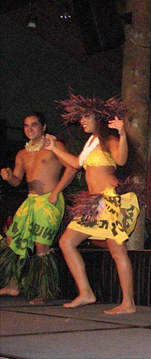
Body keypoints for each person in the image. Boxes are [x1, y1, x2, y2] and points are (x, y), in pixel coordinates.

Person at [44, 93, 141, 315]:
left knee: (117, 250)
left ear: (99, 117)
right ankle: (86, 292)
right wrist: (54, 148)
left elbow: (121, 160)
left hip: (111, 200)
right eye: (81, 118)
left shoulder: (109, 139)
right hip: (93, 204)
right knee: (67, 242)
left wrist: (123, 134)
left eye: (86, 116)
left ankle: (128, 302)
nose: (82, 121)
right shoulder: (91, 142)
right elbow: (76, 163)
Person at [0, 111, 78, 304]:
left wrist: (56, 192)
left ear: (43, 127)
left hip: (50, 201)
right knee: (12, 237)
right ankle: (12, 285)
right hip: (31, 201)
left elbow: (73, 167)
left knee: (41, 245)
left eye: (34, 125)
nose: (30, 129)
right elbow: (17, 181)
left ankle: (45, 291)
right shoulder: (22, 154)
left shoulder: (53, 146)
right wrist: (9, 176)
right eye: (26, 126)